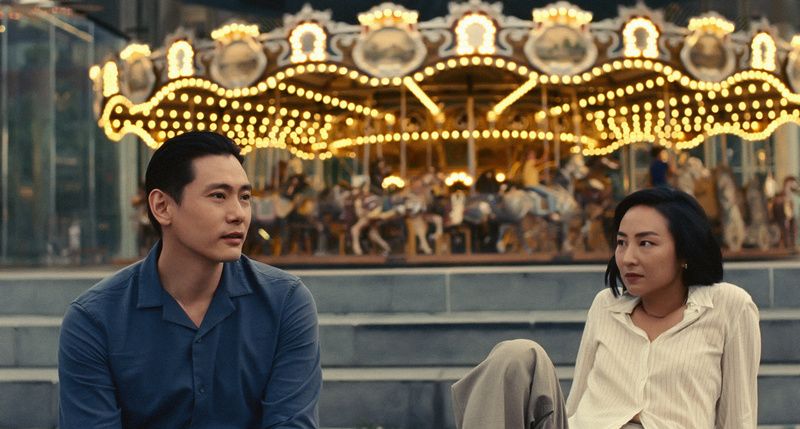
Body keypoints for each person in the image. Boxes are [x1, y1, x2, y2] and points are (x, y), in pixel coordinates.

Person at [58, 131, 322, 428]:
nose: (238, 214)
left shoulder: (285, 302)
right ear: (162, 207)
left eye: (245, 197)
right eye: (218, 196)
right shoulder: (94, 320)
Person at [452, 187, 760, 429]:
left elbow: (737, 418)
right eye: (622, 242)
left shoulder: (729, 307)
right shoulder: (606, 305)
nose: (627, 258)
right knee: (515, 355)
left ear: (684, 251)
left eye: (646, 243)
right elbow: (576, 402)